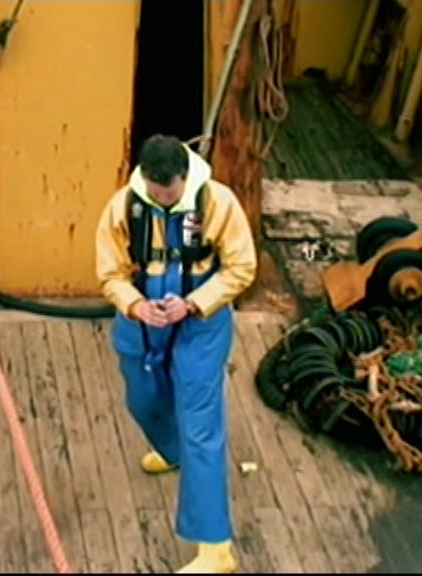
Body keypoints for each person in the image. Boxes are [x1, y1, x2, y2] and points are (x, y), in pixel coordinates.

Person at [95, 134, 258, 573]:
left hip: (200, 322)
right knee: (142, 399)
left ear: (185, 177)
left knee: (200, 425)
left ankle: (216, 548)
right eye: (156, 193)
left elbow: (242, 267)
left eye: (171, 194)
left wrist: (194, 303)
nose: (163, 200)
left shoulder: (218, 202)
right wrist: (135, 305)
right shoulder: (123, 207)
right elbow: (109, 273)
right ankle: (172, 451)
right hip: (143, 318)